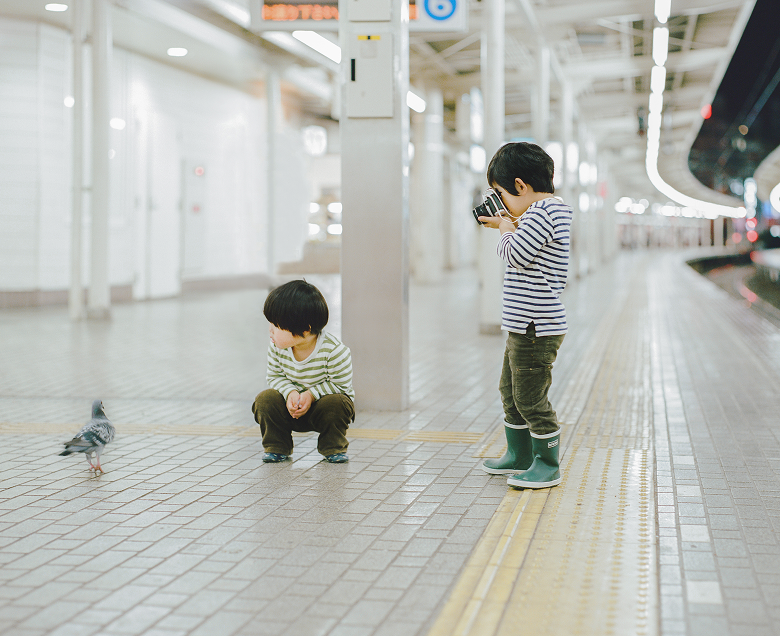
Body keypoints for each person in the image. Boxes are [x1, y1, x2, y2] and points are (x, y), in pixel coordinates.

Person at [477, 142, 572, 488]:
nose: (501, 203)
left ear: (520, 186)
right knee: (510, 390)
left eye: (501, 193)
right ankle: (518, 455)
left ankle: (547, 463)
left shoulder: (542, 214)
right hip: (525, 324)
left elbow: (515, 254)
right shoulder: (543, 213)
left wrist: (504, 229)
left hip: (536, 326)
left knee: (530, 397)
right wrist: (511, 223)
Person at [252, 280, 355, 464]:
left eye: (276, 325)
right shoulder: (277, 348)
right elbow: (274, 376)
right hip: (290, 407)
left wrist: (312, 395)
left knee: (338, 403)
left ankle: (333, 447)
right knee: (265, 399)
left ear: (305, 330)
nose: (270, 330)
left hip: (322, 410)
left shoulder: (334, 351)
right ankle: (277, 447)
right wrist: (290, 392)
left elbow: (340, 385)